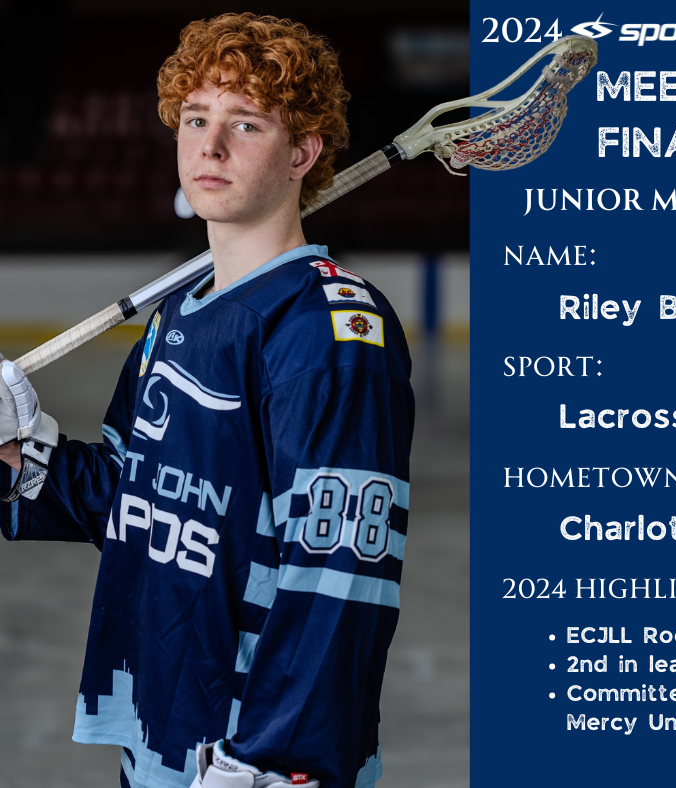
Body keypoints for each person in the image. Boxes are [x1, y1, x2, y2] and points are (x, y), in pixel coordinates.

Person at [0, 13, 414, 788]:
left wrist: (268, 759)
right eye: (196, 119)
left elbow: (339, 574)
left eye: (245, 124)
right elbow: (131, 499)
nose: (209, 147)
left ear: (304, 152)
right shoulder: (180, 314)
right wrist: (17, 452)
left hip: (251, 755)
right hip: (165, 727)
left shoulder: (331, 330)